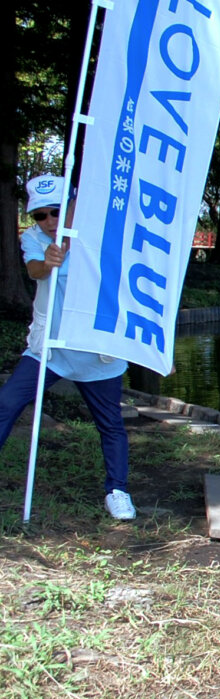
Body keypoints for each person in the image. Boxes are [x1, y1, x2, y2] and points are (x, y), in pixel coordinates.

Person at [0, 174, 135, 520]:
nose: (48, 222)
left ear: (73, 206)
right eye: (39, 215)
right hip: (51, 349)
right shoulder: (33, 239)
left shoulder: (101, 233)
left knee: (110, 424)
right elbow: (34, 271)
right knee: (7, 401)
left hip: (96, 350)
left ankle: (117, 490)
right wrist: (48, 261)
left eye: (56, 212)